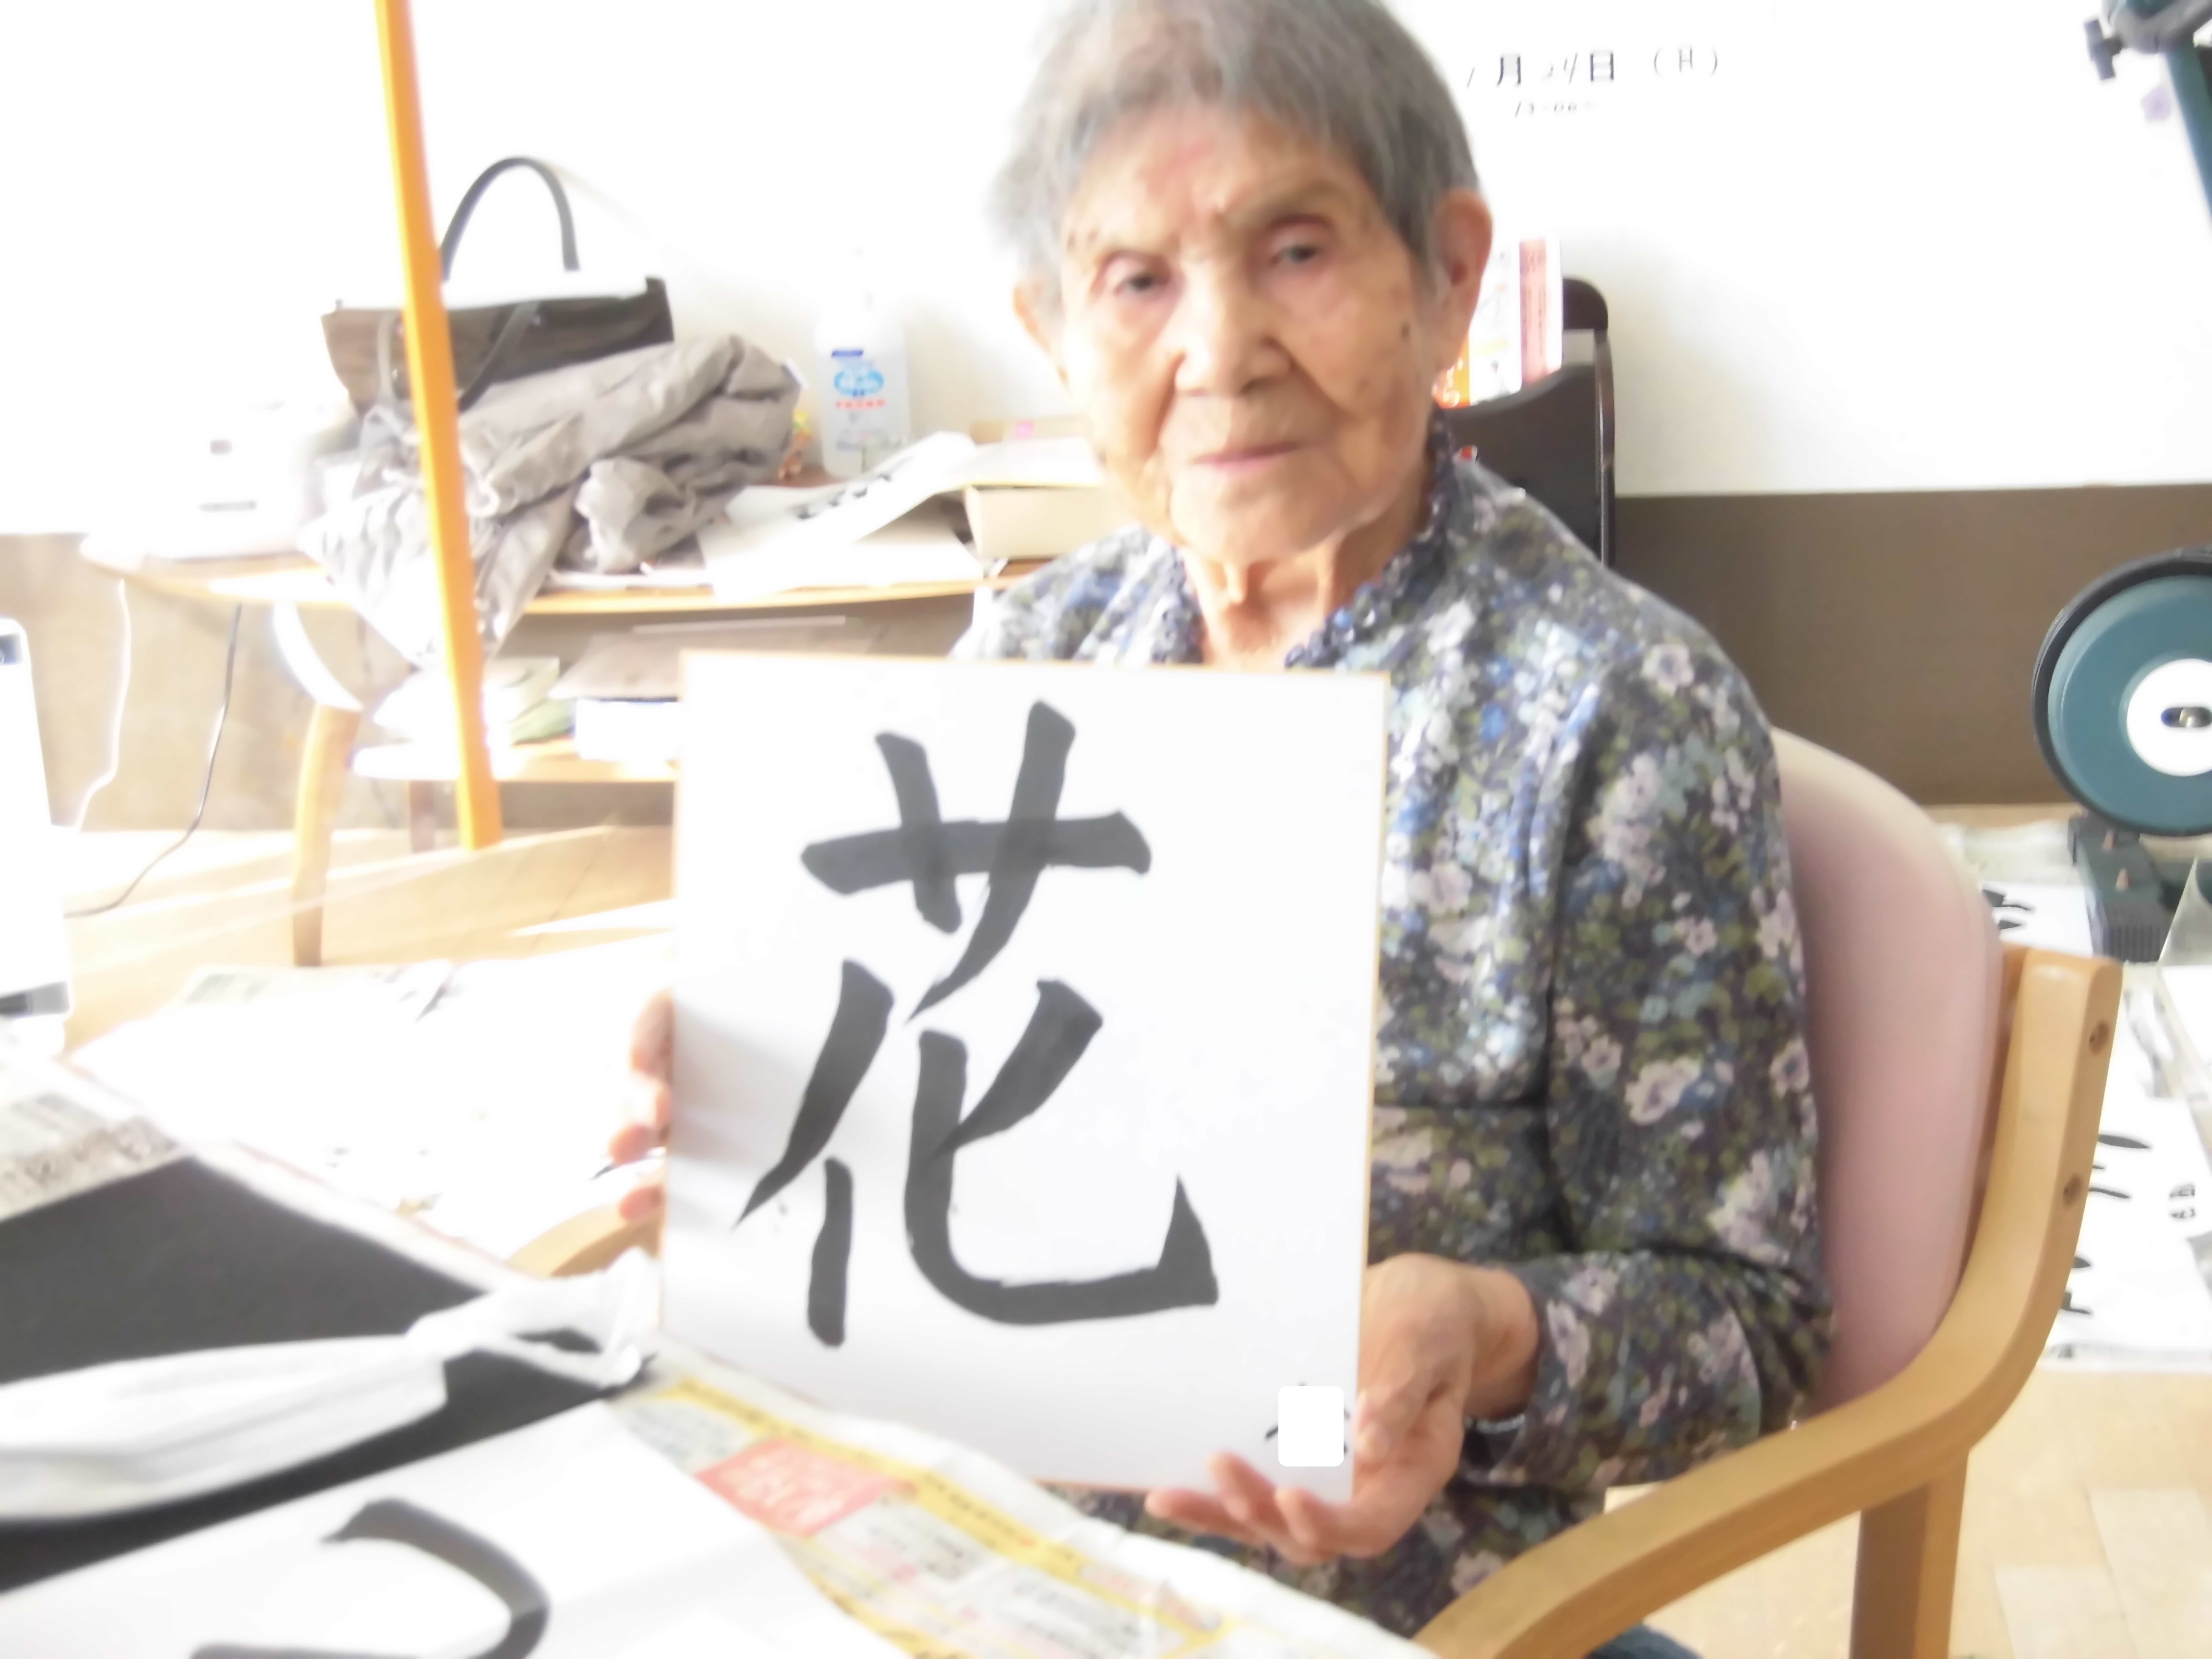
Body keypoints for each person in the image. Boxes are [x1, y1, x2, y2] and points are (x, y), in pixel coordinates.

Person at [612, 1, 1827, 1650]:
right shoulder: (1037, 653)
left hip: (1366, 1602)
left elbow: (1751, 1327)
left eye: (1298, 251)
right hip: (955, 1557)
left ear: (1449, 278)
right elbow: (924, 1135)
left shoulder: (1614, 715)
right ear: (1053, 332)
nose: (1219, 350)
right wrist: (763, 1093)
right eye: (1136, 282)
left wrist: (1485, 1333)